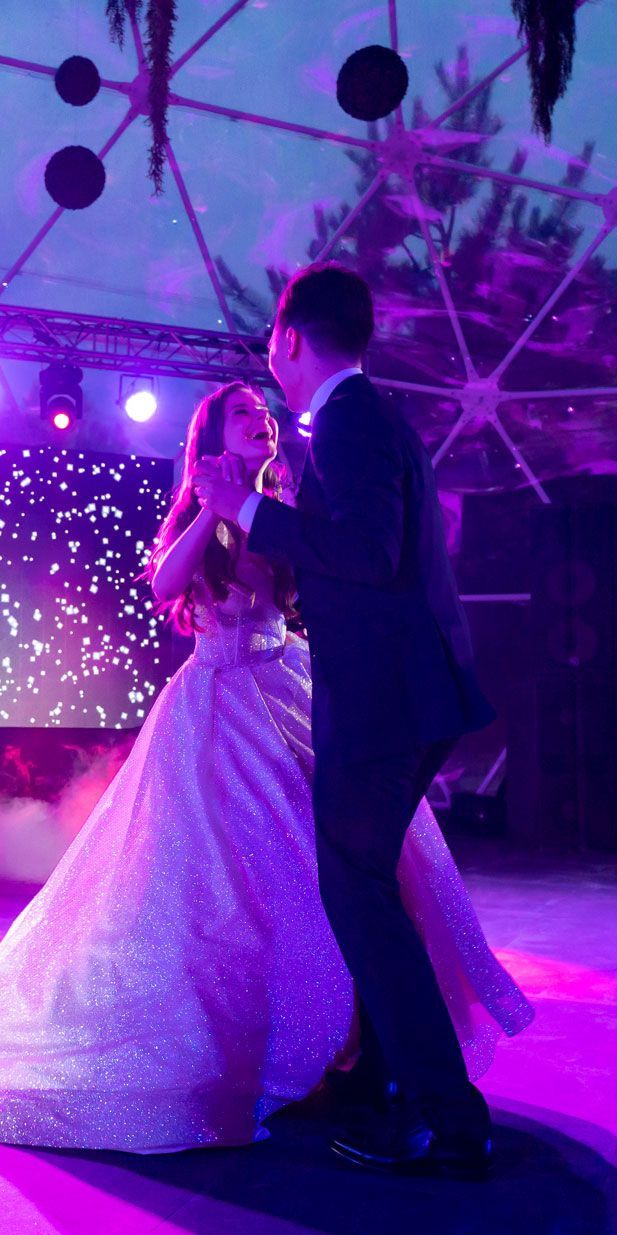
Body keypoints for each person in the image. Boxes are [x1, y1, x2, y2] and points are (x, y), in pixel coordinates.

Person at [0, 377, 529, 1157]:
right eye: (244, 414)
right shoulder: (207, 517)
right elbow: (167, 585)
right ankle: (239, 1051)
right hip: (216, 709)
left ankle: (339, 1051)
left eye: (265, 412)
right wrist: (216, 503)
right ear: (211, 437)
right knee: (215, 882)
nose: (262, 420)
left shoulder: (290, 510)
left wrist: (262, 512)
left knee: (324, 875)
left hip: (295, 691)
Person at [191, 264, 502, 1178]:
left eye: (271, 348)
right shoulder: (357, 419)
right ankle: (399, 1094)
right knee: (362, 891)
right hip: (401, 693)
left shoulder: (351, 421)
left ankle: (441, 1115)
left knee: (358, 895)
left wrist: (243, 509)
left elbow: (369, 552)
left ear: (288, 338)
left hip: (386, 699)